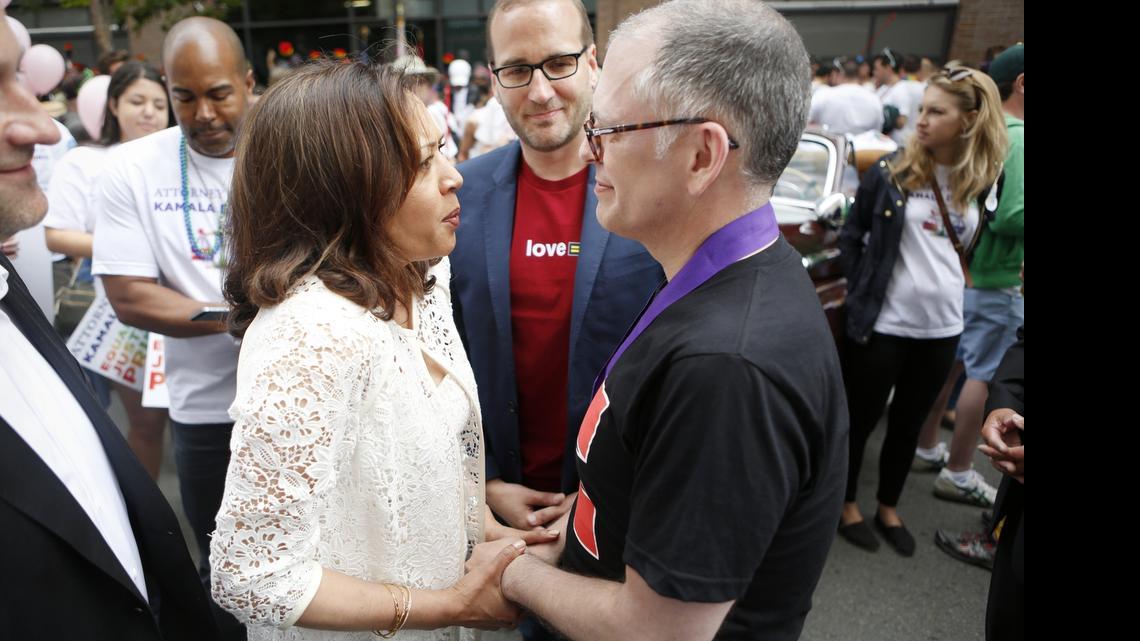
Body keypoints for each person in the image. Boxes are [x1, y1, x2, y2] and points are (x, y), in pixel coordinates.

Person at [495, 2, 848, 640]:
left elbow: (660, 631)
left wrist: (509, 571)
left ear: (700, 156)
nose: (588, 152)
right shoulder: (721, 281)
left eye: (606, 131)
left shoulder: (728, 367)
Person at [211, 59, 552, 641]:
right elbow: (252, 575)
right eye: (422, 164)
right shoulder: (310, 334)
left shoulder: (421, 278)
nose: (455, 176)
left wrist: (482, 524)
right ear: (344, 189)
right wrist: (447, 606)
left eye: (442, 150)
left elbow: (404, 469)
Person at [0, 11, 219, 640]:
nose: (43, 126)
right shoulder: (103, 168)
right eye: (154, 99)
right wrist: (123, 248)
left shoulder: (9, 294)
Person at [451, 0, 661, 553]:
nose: (540, 91)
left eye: (559, 63)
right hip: (506, 509)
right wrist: (485, 481)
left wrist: (609, 488)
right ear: (493, 78)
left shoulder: (650, 193)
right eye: (517, 70)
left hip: (624, 501)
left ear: (593, 61)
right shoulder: (459, 198)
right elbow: (438, 354)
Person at [92, 16, 256, 640]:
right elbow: (130, 297)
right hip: (208, 414)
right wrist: (238, 320)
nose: (204, 114)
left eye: (219, 93)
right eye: (184, 97)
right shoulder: (132, 168)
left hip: (309, 401)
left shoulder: (292, 147)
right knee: (226, 574)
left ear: (247, 82)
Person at [836, 63, 1007, 556]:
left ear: (970, 119)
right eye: (921, 110)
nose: (922, 120)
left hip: (943, 327)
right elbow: (852, 237)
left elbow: (970, 249)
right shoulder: (892, 172)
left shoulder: (981, 178)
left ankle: (888, 506)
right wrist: (864, 288)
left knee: (909, 423)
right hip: (884, 325)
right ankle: (846, 504)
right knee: (862, 419)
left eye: (937, 111)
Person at [43, 60, 171, 479]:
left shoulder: (182, 165)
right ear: (114, 104)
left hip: (187, 306)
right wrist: (131, 250)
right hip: (120, 314)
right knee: (147, 423)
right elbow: (57, 235)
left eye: (159, 103)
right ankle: (146, 524)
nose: (149, 112)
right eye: (137, 100)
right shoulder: (85, 162)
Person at [916, 43, 1024, 507]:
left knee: (953, 367)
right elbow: (1008, 215)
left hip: (969, 274)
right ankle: (959, 471)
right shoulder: (1018, 137)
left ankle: (926, 447)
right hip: (993, 277)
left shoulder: (1001, 133)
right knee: (984, 373)